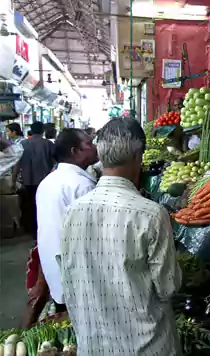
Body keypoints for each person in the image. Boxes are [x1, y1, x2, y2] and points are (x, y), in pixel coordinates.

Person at [59, 118, 181, 355]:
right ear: (138, 157)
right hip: (147, 347)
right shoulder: (152, 214)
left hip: (93, 345)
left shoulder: (72, 212)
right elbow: (168, 287)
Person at [35, 129, 98, 315]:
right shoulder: (81, 185)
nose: (94, 148)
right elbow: (93, 235)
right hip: (78, 276)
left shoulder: (48, 181)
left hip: (56, 273)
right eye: (89, 144)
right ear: (75, 151)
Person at [18, 121, 55, 237]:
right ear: (43, 131)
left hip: (27, 179)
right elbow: (55, 162)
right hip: (44, 180)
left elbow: (17, 163)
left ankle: (30, 228)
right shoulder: (48, 144)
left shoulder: (22, 144)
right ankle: (41, 228)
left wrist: (14, 178)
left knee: (29, 204)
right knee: (43, 205)